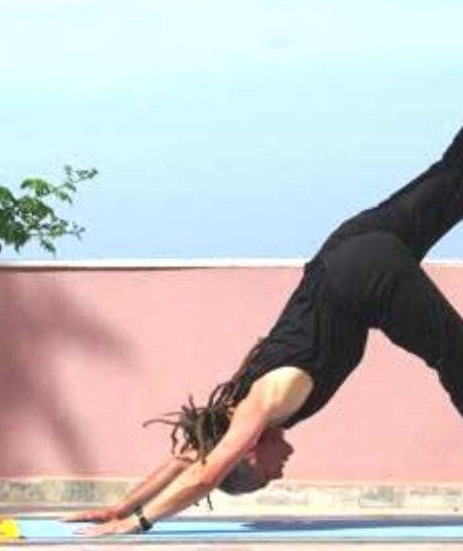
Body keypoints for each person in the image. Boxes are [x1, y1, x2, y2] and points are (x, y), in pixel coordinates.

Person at [68, 123, 463, 536]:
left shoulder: (261, 406)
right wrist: (119, 506)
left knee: (456, 358)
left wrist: (137, 521)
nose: (281, 472)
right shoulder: (232, 406)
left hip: (365, 276)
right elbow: (186, 460)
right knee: (455, 174)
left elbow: (206, 472)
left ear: (249, 453)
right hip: (344, 247)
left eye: (268, 476)